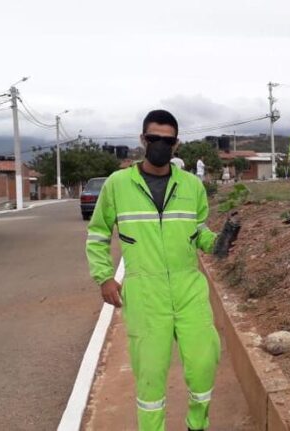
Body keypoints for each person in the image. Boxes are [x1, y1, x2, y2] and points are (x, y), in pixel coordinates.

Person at [86, 110, 232, 431]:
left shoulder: (191, 186)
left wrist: (216, 242)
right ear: (142, 140)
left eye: (167, 140)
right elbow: (98, 234)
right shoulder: (118, 185)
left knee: (204, 362)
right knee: (150, 377)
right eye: (154, 139)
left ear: (176, 144)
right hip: (145, 293)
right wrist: (105, 276)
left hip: (189, 288)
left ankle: (197, 424)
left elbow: (199, 230)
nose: (160, 145)